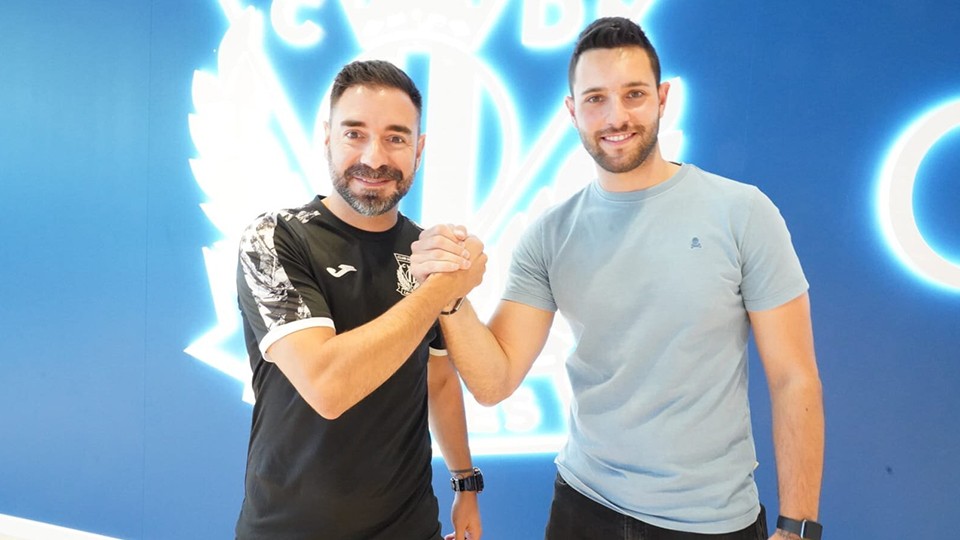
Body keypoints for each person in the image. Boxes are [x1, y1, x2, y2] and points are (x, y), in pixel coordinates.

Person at [411, 17, 824, 540]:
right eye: (596, 99)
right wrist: (449, 296)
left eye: (633, 95)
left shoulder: (742, 213)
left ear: (662, 98)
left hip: (712, 521)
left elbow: (794, 378)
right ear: (572, 111)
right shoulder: (550, 233)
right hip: (583, 509)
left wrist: (799, 526)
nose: (616, 116)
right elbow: (494, 382)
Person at [234, 59, 484, 540]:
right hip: (287, 528)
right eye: (355, 134)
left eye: (396, 137)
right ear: (327, 136)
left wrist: (465, 484)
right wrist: (439, 291)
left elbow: (438, 379)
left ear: (420, 149)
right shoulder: (274, 239)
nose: (375, 157)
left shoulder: (426, 253)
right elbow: (328, 386)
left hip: (409, 526)